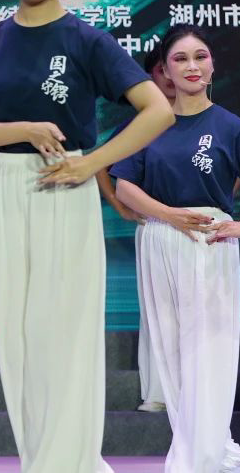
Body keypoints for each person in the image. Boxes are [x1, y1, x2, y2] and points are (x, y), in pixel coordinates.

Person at [0, 0, 173, 473]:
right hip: (1, 187)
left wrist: (91, 162)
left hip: (63, 187)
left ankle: (69, 461)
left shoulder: (87, 39)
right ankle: (40, 460)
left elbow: (157, 110)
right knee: (14, 336)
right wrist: (22, 127)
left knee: (64, 331)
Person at [112, 25, 240, 473]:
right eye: (180, 59)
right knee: (171, 347)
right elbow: (124, 187)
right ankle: (197, 443)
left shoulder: (233, 127)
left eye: (200, 56)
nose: (192, 66)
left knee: (208, 346)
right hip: (160, 237)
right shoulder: (149, 124)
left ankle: (205, 449)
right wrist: (169, 215)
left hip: (210, 241)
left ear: (213, 65)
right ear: (165, 71)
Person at [94, 48, 175, 414]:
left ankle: (201, 395)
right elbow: (100, 164)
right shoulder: (142, 124)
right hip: (155, 226)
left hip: (206, 228)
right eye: (161, 70)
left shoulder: (212, 119)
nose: (170, 77)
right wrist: (118, 203)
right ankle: (158, 392)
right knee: (158, 312)